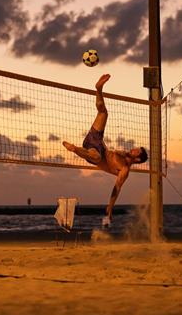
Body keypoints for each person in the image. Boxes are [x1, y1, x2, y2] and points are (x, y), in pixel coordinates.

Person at [63, 74, 148, 228]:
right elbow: (113, 151)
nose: (134, 148)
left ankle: (74, 149)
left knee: (95, 156)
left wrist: (110, 208)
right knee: (103, 113)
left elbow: (116, 189)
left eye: (137, 150)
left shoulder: (124, 170)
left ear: (138, 159)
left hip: (93, 154)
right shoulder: (123, 153)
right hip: (95, 140)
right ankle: (99, 88)